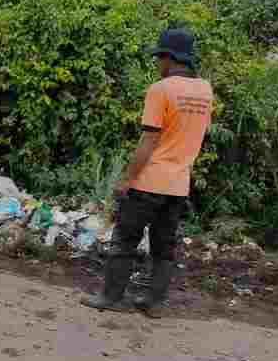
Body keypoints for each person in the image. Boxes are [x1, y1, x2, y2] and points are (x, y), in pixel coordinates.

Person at [83, 28, 214, 316]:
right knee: (164, 247)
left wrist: (127, 179)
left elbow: (149, 140)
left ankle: (111, 297)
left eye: (159, 58)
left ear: (169, 58)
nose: (158, 64)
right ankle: (154, 304)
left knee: (125, 240)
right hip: (179, 184)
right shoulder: (205, 90)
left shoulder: (161, 89)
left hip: (149, 182)